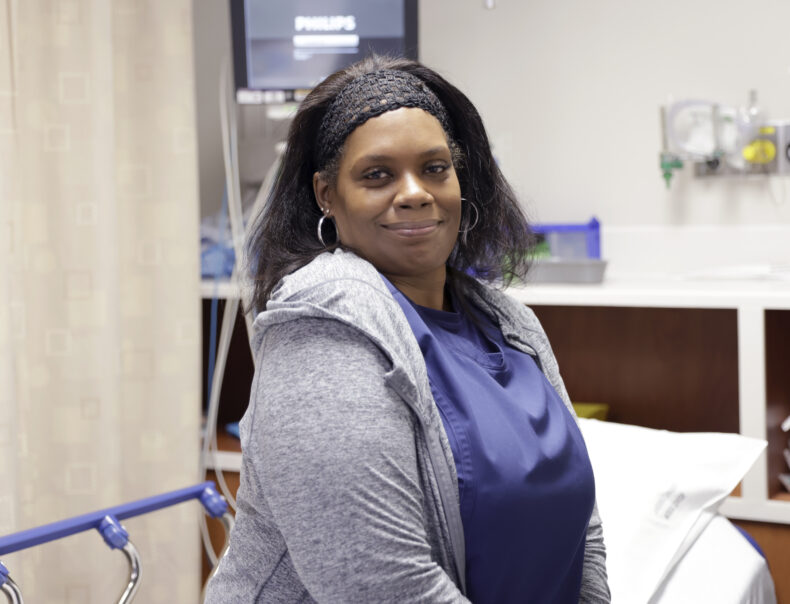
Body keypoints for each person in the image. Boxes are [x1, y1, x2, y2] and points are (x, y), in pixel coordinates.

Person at [204, 54, 610, 603]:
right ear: (327, 195)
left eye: (435, 168)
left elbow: (582, 529)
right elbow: (384, 586)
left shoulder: (511, 324)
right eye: (377, 175)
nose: (415, 192)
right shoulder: (323, 329)